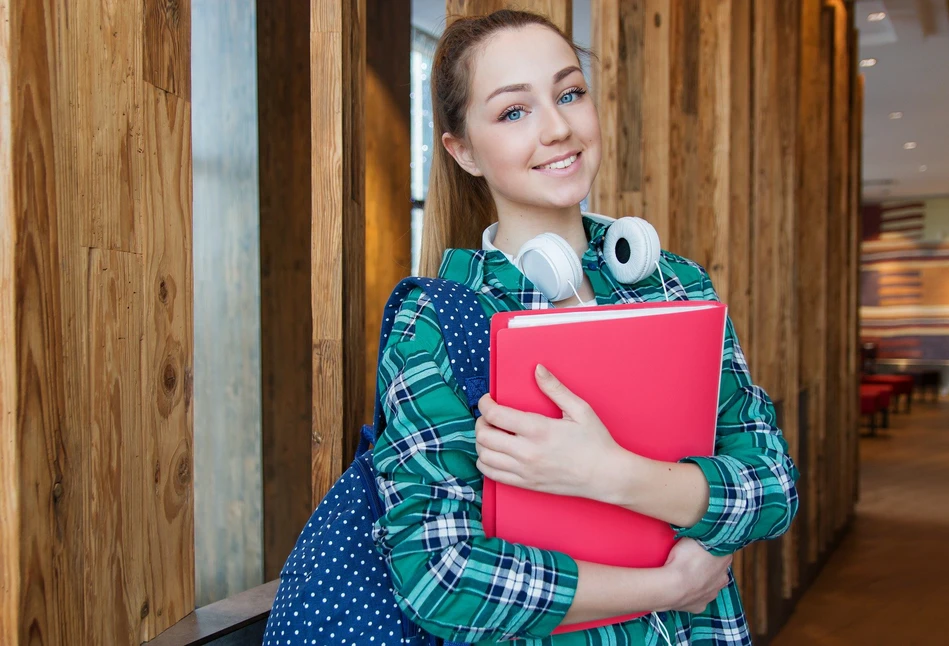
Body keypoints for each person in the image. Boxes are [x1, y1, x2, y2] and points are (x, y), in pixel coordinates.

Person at [372, 9, 799, 645]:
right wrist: (667, 587)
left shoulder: (676, 285)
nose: (559, 127)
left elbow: (773, 485)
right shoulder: (436, 322)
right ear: (462, 151)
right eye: (514, 112)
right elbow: (440, 577)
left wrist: (611, 475)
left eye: (570, 93)